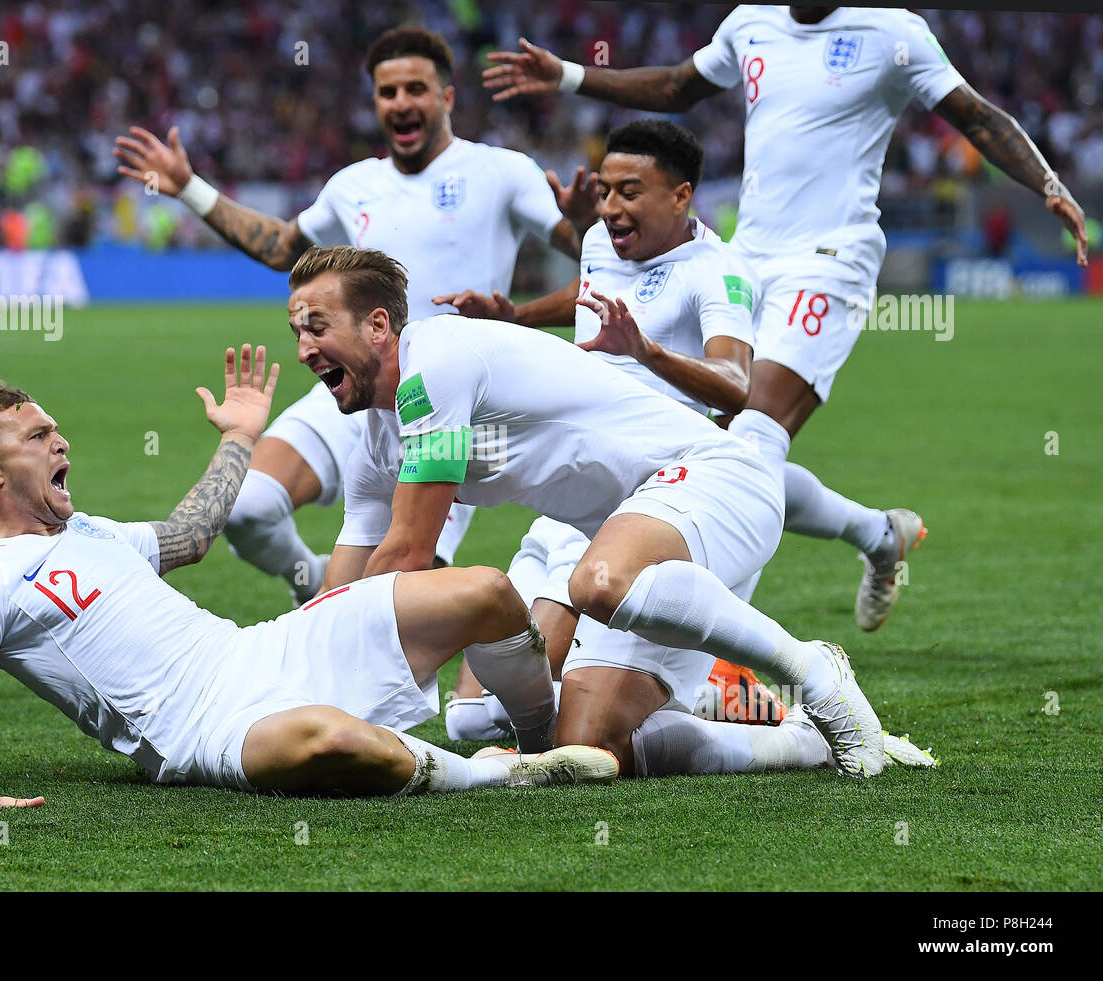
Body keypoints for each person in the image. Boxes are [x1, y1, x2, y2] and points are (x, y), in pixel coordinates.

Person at [483, 5, 1090, 631]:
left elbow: (975, 116)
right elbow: (674, 88)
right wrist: (570, 75)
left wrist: (1047, 182)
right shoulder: (752, 22)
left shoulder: (893, 32)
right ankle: (878, 535)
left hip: (829, 261)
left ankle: (715, 644)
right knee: (712, 449)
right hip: (746, 254)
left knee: (750, 439)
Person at [0, 345, 617, 815]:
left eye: (56, 429)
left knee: (486, 592)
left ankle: (540, 740)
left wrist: (238, 435)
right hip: (206, 728)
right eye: (38, 435)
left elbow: (191, 536)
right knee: (334, 738)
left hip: (266, 647)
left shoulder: (90, 531)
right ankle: (500, 772)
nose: (62, 441)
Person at [286, 245, 886, 779]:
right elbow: (349, 574)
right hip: (633, 532)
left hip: (713, 478)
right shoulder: (376, 440)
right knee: (589, 743)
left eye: (317, 327)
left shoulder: (435, 361)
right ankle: (801, 745)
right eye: (296, 332)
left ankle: (814, 673)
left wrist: (331, 693)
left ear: (379, 325)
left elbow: (407, 554)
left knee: (598, 583)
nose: (304, 349)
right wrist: (303, 685)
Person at [113, 26, 588, 605]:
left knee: (399, 590)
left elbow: (589, 253)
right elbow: (282, 247)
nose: (401, 102)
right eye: (388, 92)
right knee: (246, 508)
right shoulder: (353, 185)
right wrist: (190, 188)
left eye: (417, 88)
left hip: (445, 404)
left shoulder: (503, 171)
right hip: (349, 381)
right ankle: (309, 583)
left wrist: (585, 228)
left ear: (447, 97)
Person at [432, 118, 784, 740]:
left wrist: (648, 352)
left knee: (529, 723)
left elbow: (735, 382)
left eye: (630, 191)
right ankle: (685, 686)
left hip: (640, 495)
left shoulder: (718, 272)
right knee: (467, 721)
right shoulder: (600, 239)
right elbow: (587, 287)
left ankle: (721, 694)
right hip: (566, 487)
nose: (611, 208)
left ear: (681, 196)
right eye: (604, 190)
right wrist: (518, 314)